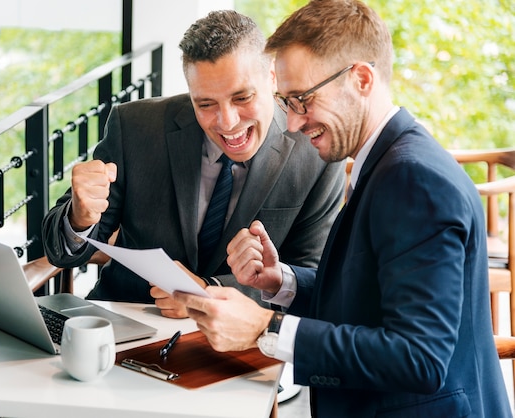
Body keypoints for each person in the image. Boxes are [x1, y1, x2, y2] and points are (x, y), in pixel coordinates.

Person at [173, 0, 512, 416]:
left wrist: (267, 327)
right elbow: (369, 302)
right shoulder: (388, 162)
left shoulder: (414, 181)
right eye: (286, 102)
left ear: (362, 79)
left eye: (303, 100)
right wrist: (281, 282)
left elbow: (419, 358)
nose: (293, 123)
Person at [41, 10, 346, 318]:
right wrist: (79, 219)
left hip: (241, 342)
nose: (227, 122)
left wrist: (207, 291)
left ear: (271, 76)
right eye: (206, 104)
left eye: (242, 98)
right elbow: (59, 252)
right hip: (125, 320)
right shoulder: (134, 127)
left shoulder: (317, 154)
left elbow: (310, 279)